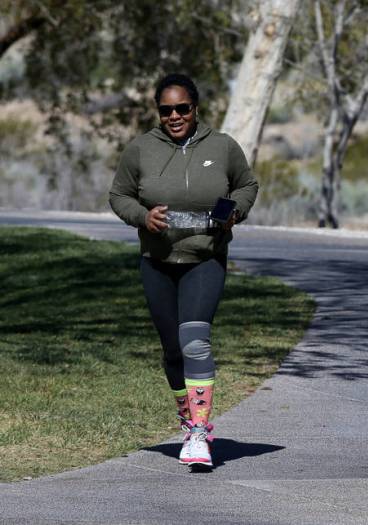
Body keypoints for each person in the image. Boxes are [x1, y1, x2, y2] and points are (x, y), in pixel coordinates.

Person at [109, 73, 258, 470]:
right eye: (166, 110)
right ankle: (188, 417)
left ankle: (198, 432)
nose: (174, 116)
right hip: (157, 262)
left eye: (182, 108)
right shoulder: (141, 149)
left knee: (195, 341)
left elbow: (246, 185)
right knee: (173, 351)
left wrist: (234, 211)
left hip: (205, 258)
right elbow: (118, 194)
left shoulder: (223, 147)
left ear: (195, 108)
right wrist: (142, 216)